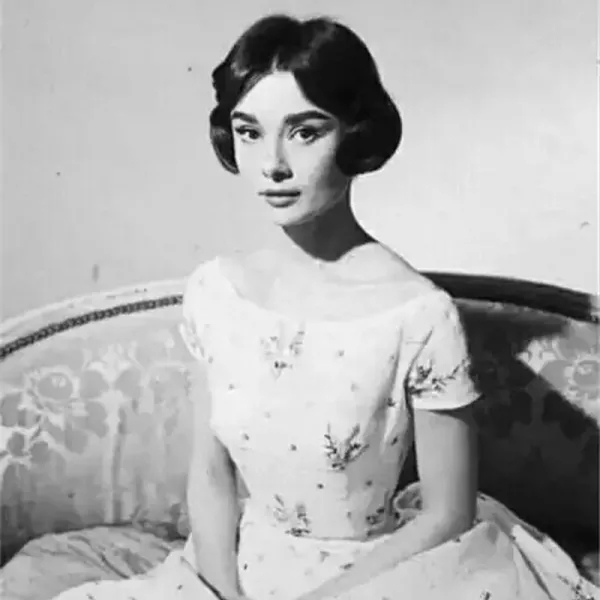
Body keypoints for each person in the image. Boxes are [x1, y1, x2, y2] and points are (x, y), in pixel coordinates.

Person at [53, 13, 598, 600]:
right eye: (249, 132)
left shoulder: (418, 315)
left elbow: (448, 514)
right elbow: (210, 473)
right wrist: (222, 593)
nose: (273, 163)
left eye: (305, 132)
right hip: (242, 567)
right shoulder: (215, 293)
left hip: (379, 576)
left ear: (354, 136)